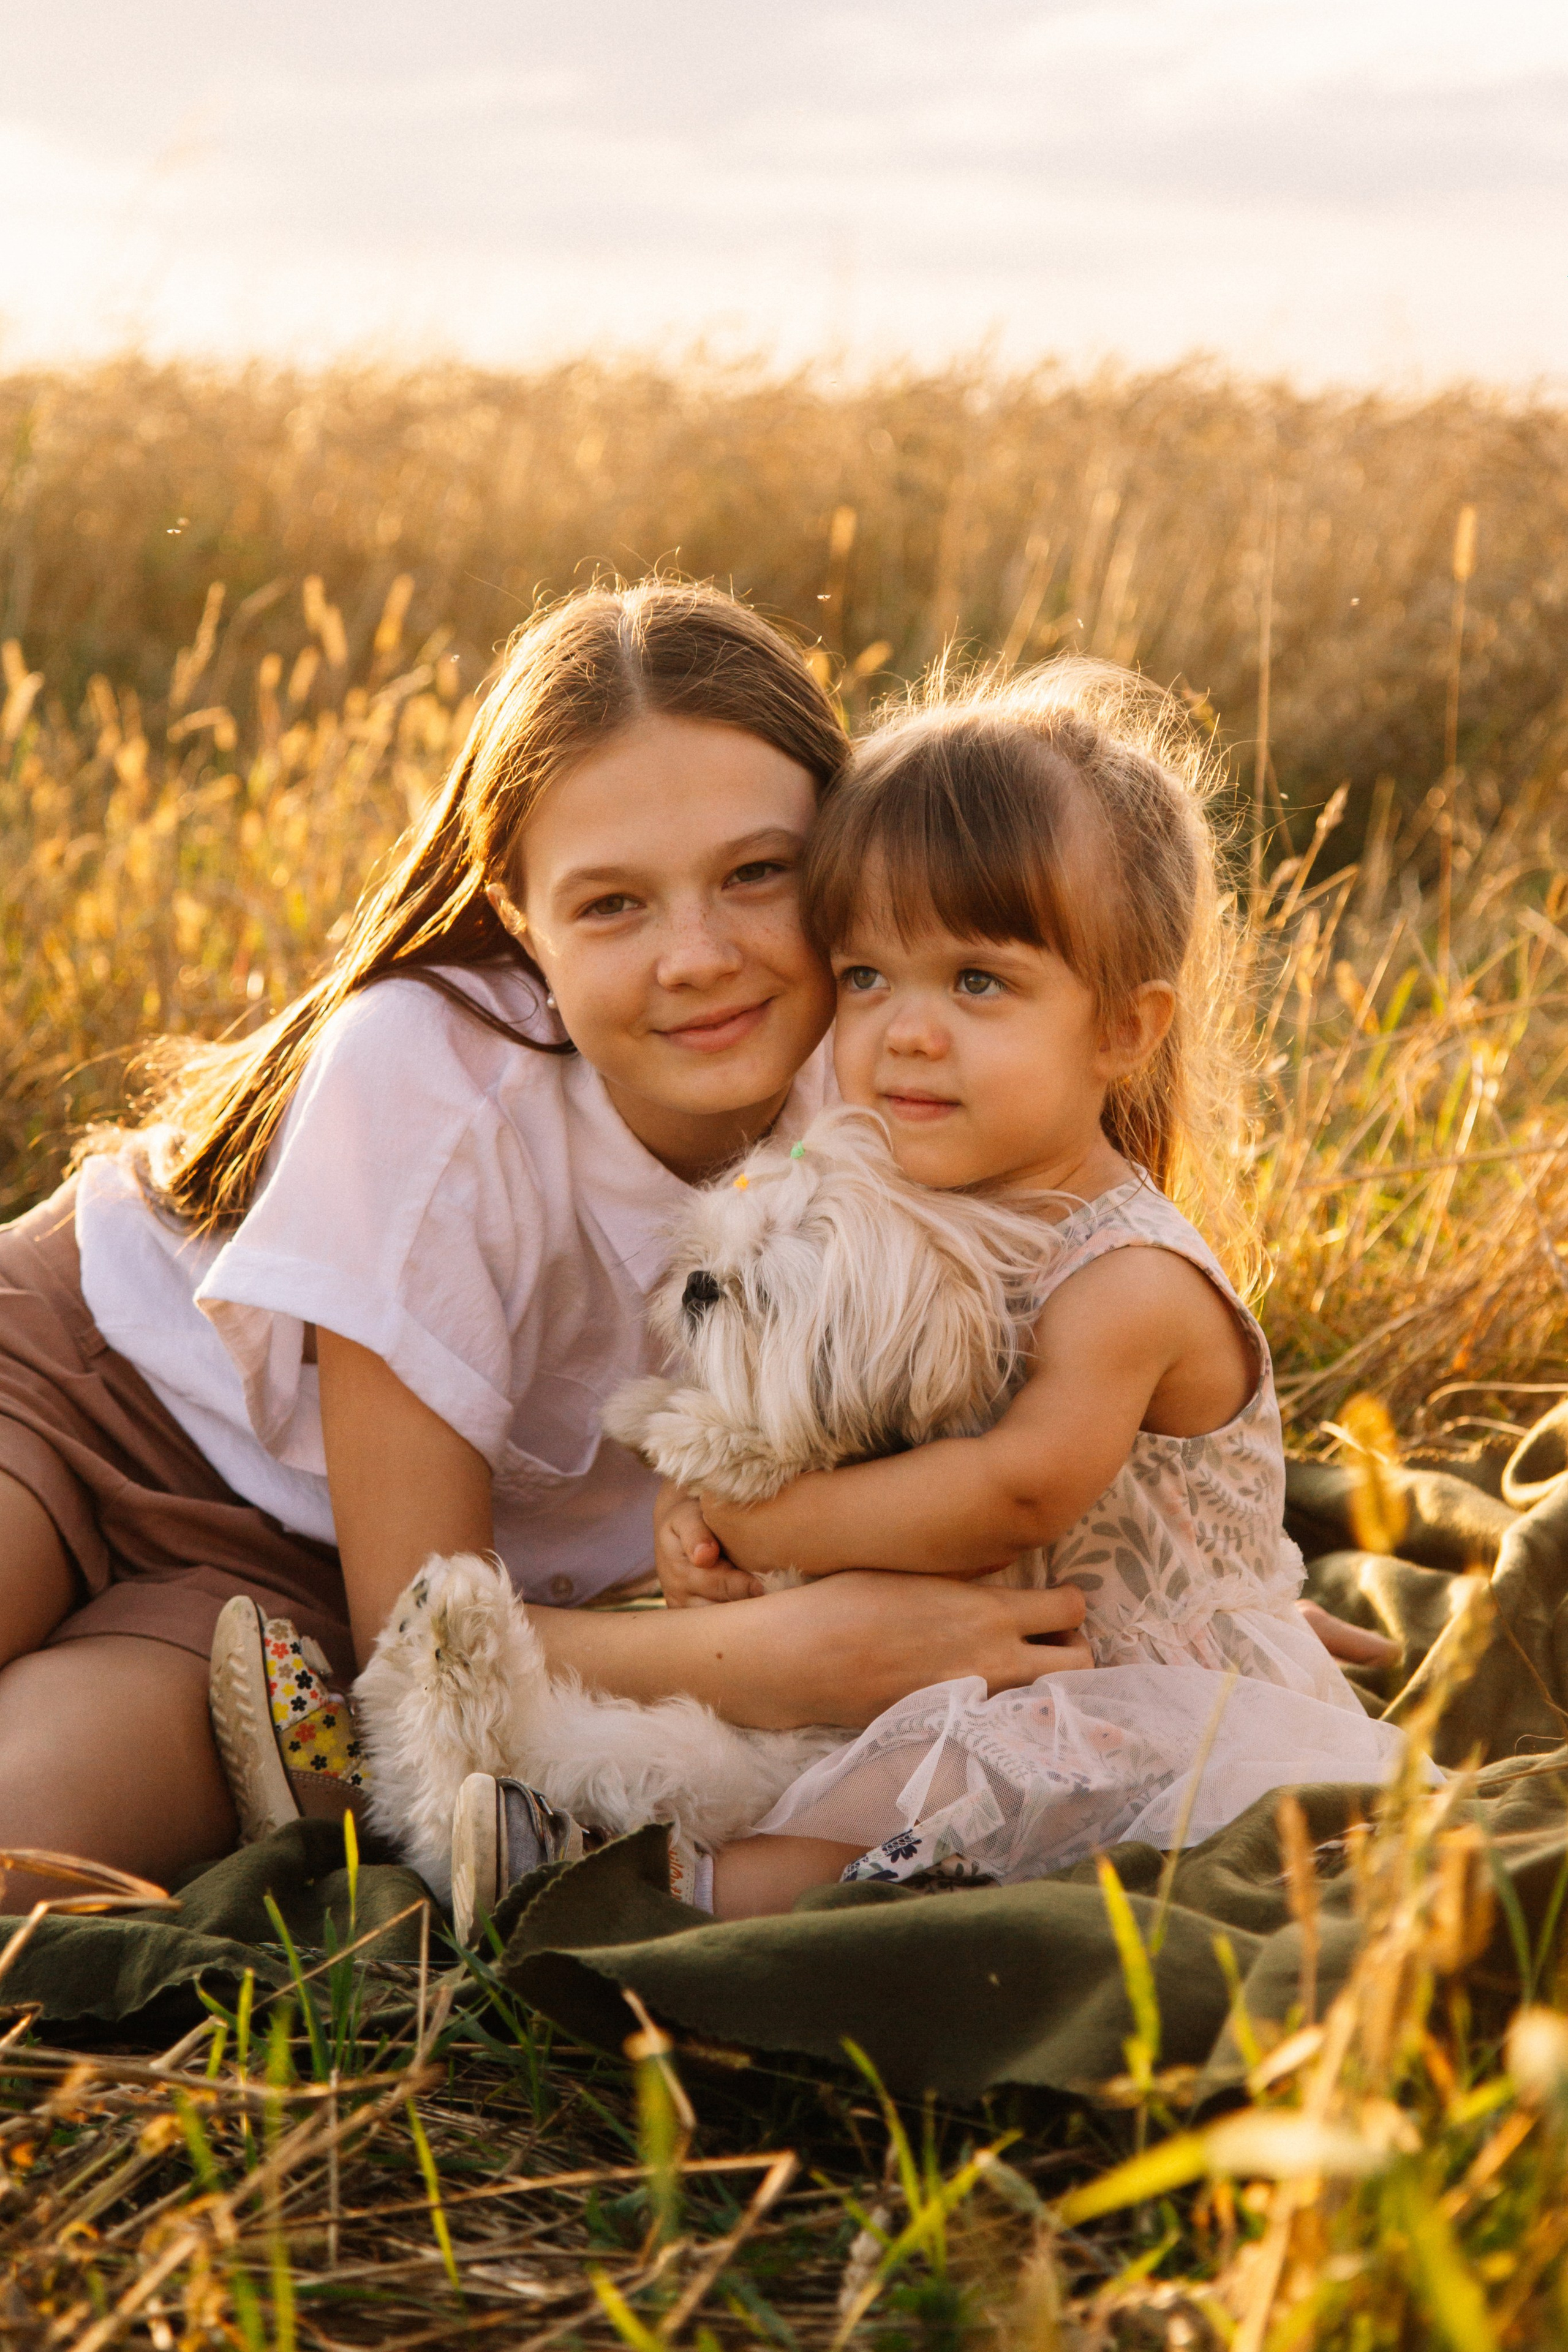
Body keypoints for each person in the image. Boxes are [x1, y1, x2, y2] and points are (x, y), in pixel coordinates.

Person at [0, 584, 1102, 1913]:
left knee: (24, 1844)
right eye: (611, 905)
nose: (697, 957)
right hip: (80, 1399)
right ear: (519, 920)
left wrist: (1200, 1631)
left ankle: (301, 1761)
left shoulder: (897, 1082)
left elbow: (1073, 1371)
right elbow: (419, 1621)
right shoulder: (428, 1074)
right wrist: (784, 1656)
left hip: (294, 1611)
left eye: (758, 874)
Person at [641, 661, 1415, 1918]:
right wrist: (694, 1507)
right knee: (799, 1746)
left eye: (977, 982)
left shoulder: (1127, 1278)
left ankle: (653, 1907)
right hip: (971, 1660)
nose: (905, 1031)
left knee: (866, 1830)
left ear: (1119, 1030)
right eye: (864, 977)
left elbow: (1014, 1493)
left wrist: (767, 1523)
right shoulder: (904, 1204)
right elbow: (804, 1394)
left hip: (1136, 1711)